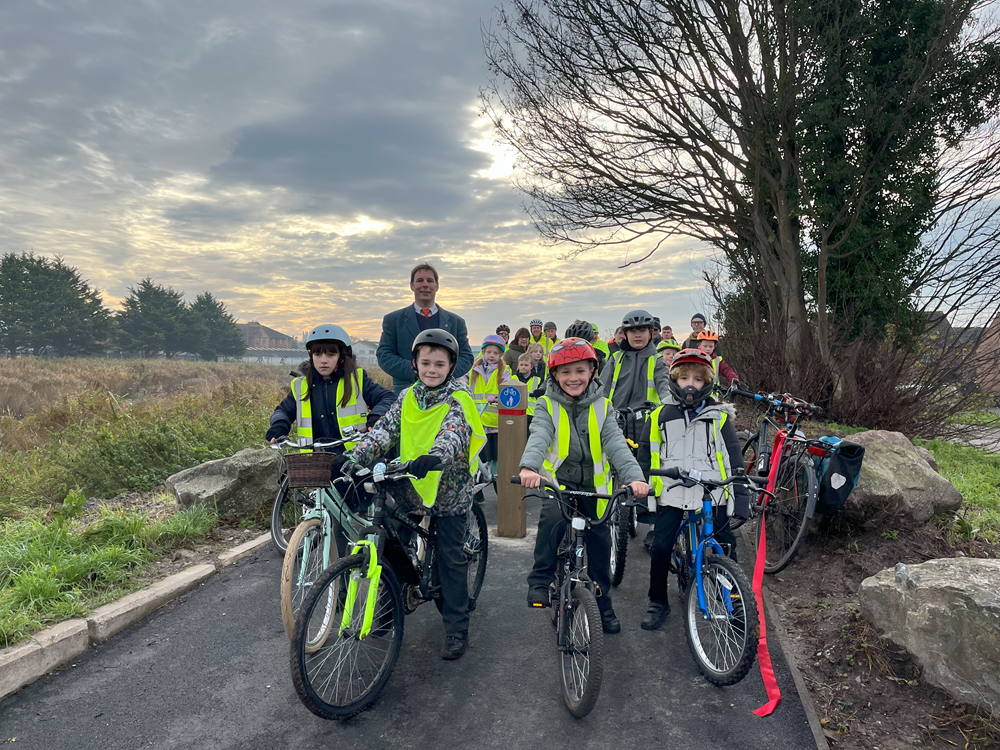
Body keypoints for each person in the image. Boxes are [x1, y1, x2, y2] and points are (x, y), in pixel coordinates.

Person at [338, 329, 486, 659]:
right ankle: (390, 608)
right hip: (409, 484)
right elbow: (383, 432)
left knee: (450, 559)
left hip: (448, 488)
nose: (432, 369)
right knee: (391, 548)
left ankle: (456, 627)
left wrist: (436, 456)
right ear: (415, 366)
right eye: (426, 363)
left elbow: (453, 434)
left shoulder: (458, 400)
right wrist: (353, 458)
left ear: (451, 367)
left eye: (440, 363)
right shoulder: (407, 398)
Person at [518, 338, 650, 634]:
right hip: (559, 483)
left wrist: (634, 477)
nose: (573, 378)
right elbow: (539, 436)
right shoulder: (546, 404)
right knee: (551, 520)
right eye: (565, 372)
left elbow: (616, 444)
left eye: (580, 370)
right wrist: (529, 467)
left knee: (600, 542)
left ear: (592, 371)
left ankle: (603, 604)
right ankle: (540, 580)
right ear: (554, 376)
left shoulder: (604, 406)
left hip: (594, 486)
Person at [636, 348, 750, 630]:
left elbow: (735, 461)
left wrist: (742, 499)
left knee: (725, 546)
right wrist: (643, 495)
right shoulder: (660, 416)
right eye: (684, 378)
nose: (690, 384)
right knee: (661, 546)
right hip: (672, 492)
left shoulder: (719, 418)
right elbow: (646, 458)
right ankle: (658, 601)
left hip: (712, 493)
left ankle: (734, 599)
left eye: (697, 380)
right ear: (674, 381)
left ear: (707, 382)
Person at [265, 323, 396, 451]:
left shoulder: (357, 380)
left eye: (331, 354)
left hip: (354, 458)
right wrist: (279, 426)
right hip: (313, 461)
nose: (323, 360)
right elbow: (283, 411)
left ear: (342, 357)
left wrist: (376, 417)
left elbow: (388, 398)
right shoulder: (301, 385)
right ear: (311, 356)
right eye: (317, 354)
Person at [377, 263, 474, 394]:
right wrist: (417, 370)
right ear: (412, 286)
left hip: (446, 395)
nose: (425, 285)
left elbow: (466, 356)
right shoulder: (393, 320)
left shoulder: (456, 322)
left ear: (437, 286)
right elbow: (384, 355)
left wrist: (444, 373)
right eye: (419, 280)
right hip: (405, 394)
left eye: (430, 280)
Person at [600, 310, 671, 429]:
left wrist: (670, 406)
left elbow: (664, 388)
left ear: (650, 333)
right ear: (625, 334)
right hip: (615, 422)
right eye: (633, 331)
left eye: (642, 330)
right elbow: (602, 389)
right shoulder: (615, 359)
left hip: (647, 424)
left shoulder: (658, 360)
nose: (638, 335)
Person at [466, 334, 510, 470]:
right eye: (489, 352)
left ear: (501, 355)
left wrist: (497, 398)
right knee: (479, 454)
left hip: (494, 420)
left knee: (495, 455)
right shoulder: (474, 369)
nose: (492, 355)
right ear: (483, 351)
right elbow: (463, 383)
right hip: (477, 419)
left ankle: (495, 476)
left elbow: (507, 388)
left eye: (495, 353)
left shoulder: (504, 370)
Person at [513, 352, 542, 424]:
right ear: (518, 366)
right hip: (516, 413)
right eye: (521, 365)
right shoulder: (513, 379)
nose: (523, 367)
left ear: (531, 366)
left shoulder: (537, 380)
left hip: (531, 414)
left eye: (526, 365)